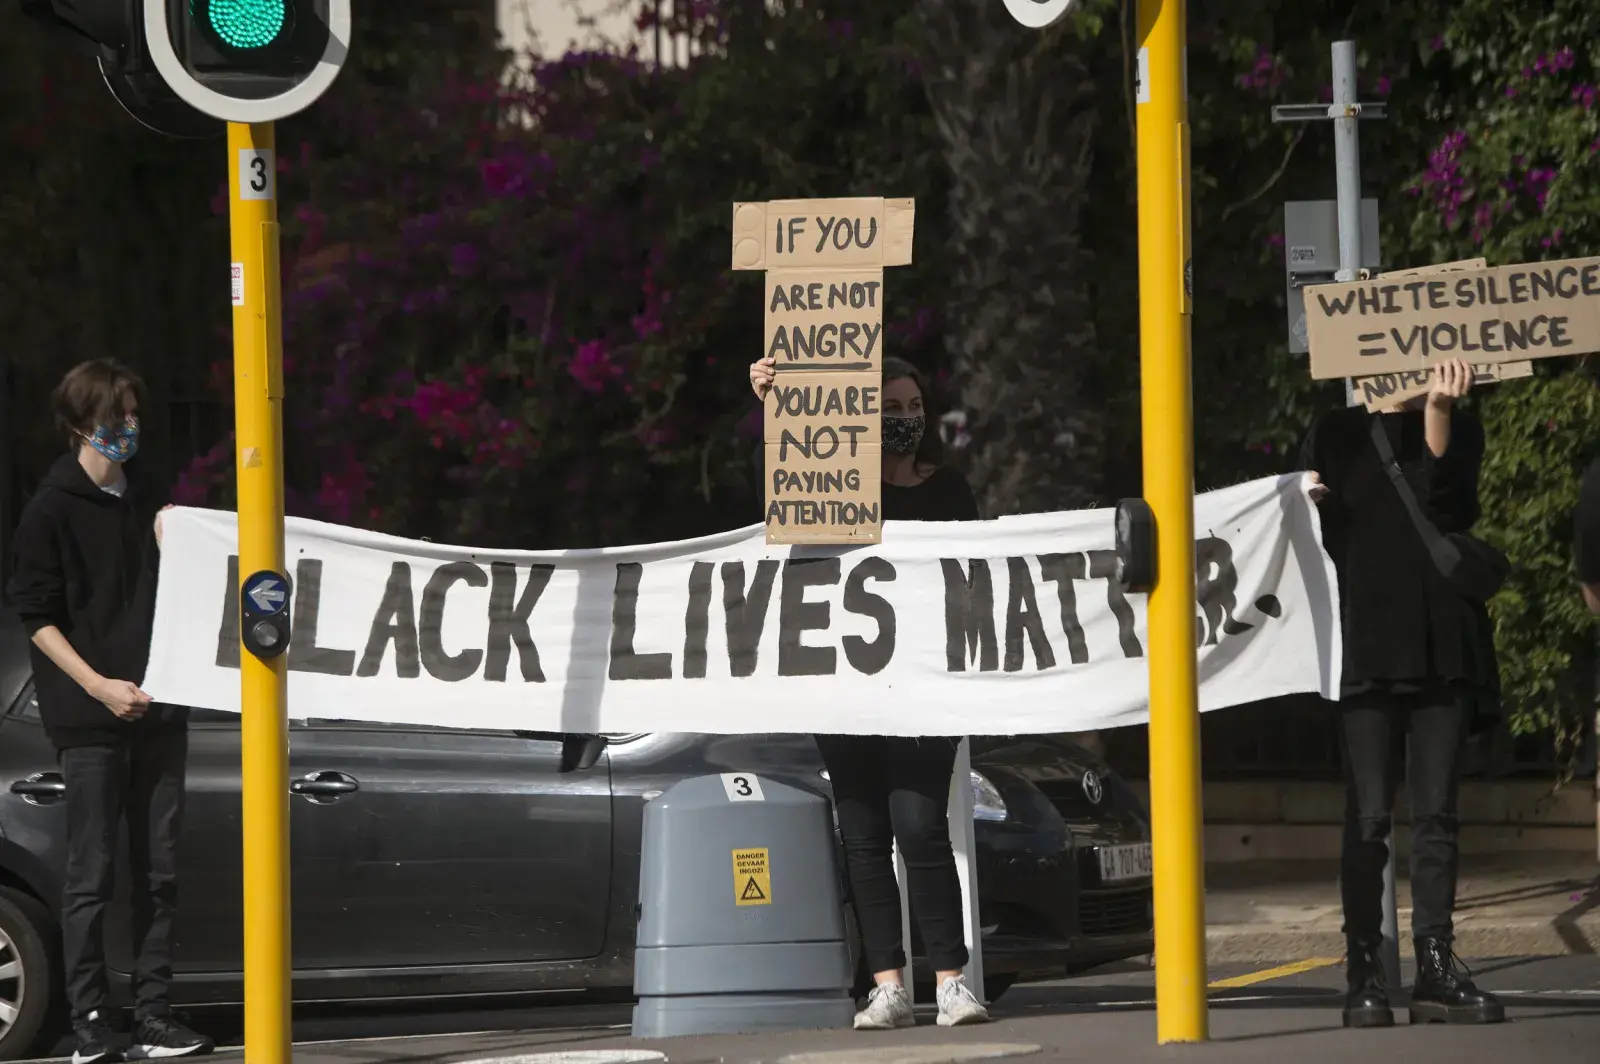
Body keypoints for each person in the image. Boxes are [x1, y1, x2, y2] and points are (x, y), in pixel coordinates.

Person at [749, 353, 988, 1030]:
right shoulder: (826, 489)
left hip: (925, 683)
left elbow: (975, 572)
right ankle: (888, 987)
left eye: (914, 407)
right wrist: (775, 409)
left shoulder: (949, 490)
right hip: (846, 681)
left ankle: (951, 982)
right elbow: (774, 502)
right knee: (863, 833)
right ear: (859, 417)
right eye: (890, 408)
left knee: (918, 825)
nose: (905, 419)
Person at [7, 360, 212, 1062]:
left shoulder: (148, 499)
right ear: (78, 424)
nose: (128, 427)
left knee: (160, 873)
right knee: (90, 877)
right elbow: (37, 616)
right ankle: (91, 1021)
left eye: (133, 414)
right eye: (114, 416)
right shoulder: (51, 509)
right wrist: (98, 686)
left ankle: (154, 1015)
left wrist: (175, 544)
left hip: (160, 712)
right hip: (91, 720)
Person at [1300, 358, 1504, 1029]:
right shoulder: (1335, 431)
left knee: (1438, 813)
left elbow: (1453, 506)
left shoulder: (1458, 427)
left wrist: (1438, 410)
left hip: (1439, 641)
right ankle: (1364, 971)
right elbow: (1307, 538)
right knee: (1367, 818)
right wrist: (1303, 502)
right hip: (1363, 645)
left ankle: (1435, 968)